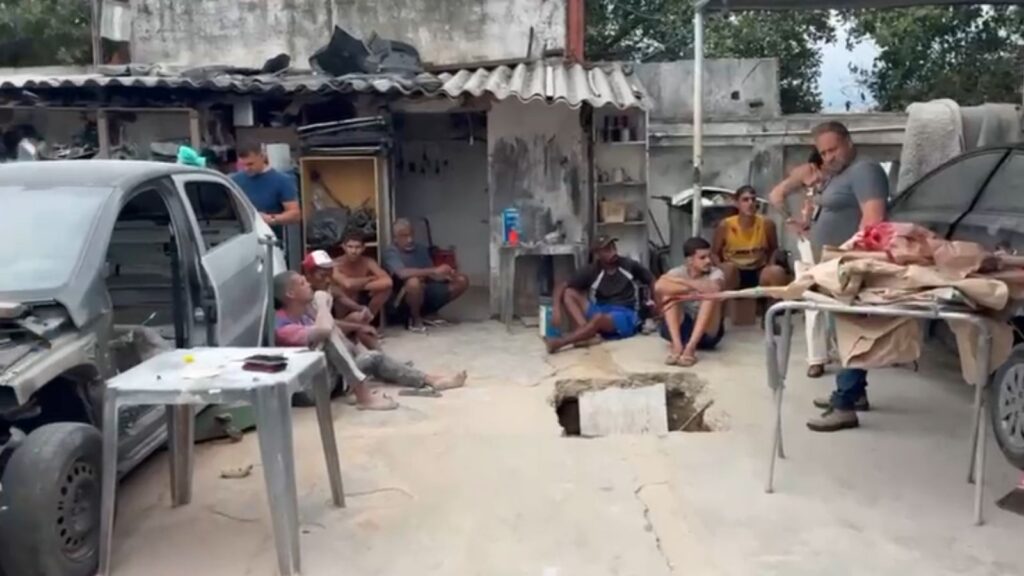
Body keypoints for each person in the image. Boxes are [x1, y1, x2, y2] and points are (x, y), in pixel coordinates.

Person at [769, 121, 888, 432]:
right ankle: (855, 393)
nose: (828, 157)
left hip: (850, 267)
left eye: (833, 149)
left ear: (849, 142)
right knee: (842, 333)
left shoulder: (865, 170)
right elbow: (786, 192)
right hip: (833, 266)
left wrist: (851, 262)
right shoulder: (837, 174)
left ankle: (845, 405)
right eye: (823, 153)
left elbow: (873, 221)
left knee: (852, 334)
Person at [274, 272, 466, 410]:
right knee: (329, 334)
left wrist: (356, 342)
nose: (308, 284)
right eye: (302, 283)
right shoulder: (282, 326)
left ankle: (431, 380)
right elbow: (324, 331)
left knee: (373, 357)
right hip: (308, 390)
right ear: (290, 294)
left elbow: (339, 338)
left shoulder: (304, 314)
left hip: (329, 376)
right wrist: (322, 304)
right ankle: (363, 397)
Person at [545, 235, 655, 354]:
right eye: (607, 250)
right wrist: (556, 308)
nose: (613, 252)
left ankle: (561, 342)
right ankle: (587, 333)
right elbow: (562, 285)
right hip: (601, 309)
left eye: (614, 247)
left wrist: (656, 303)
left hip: (625, 314)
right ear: (597, 254)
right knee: (569, 293)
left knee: (598, 318)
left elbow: (652, 280)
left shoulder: (628, 265)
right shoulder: (592, 270)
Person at [383, 218, 469, 332]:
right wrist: (433, 271)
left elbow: (431, 272)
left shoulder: (421, 249)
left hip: (426, 287)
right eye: (404, 236)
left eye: (411, 234)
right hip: (402, 297)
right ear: (395, 238)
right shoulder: (391, 252)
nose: (410, 239)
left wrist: (445, 275)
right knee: (413, 283)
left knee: (462, 280)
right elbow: (401, 273)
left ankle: (429, 314)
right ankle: (415, 319)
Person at [655, 237, 726, 367]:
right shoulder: (678, 272)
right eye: (702, 258)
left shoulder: (716, 273)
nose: (708, 261)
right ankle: (677, 346)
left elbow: (714, 288)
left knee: (710, 296)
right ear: (690, 260)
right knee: (668, 295)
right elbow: (659, 287)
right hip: (682, 328)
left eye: (709, 256)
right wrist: (692, 286)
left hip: (707, 334)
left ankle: (691, 347)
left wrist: (681, 283)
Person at [711, 185, 788, 291]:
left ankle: (774, 301)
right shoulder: (725, 225)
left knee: (776, 272)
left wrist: (770, 264)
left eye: (753, 199)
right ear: (737, 203)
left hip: (758, 270)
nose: (750, 203)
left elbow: (773, 248)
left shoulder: (767, 224)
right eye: (745, 200)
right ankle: (728, 299)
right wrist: (721, 266)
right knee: (728, 270)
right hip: (735, 271)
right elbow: (714, 253)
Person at [302, 249, 380, 350]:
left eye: (330, 275)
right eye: (322, 275)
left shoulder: (328, 288)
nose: (328, 280)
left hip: (330, 327)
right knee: (359, 326)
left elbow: (342, 297)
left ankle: (377, 353)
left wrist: (363, 309)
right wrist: (359, 326)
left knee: (358, 317)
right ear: (308, 275)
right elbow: (326, 325)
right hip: (317, 334)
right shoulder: (305, 295)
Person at [230, 142, 301, 235]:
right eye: (243, 165)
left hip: (269, 238)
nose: (246, 169)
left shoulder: (282, 180)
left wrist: (271, 219)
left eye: (250, 164)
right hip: (241, 236)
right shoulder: (234, 180)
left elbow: (295, 214)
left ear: (262, 157)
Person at [329, 231, 394, 318]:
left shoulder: (368, 262)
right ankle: (343, 321)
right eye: (350, 247)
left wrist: (359, 286)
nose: (353, 251)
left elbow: (388, 281)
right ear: (343, 247)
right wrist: (369, 279)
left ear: (363, 248)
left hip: (361, 298)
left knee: (386, 289)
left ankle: (367, 317)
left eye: (357, 247)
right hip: (342, 302)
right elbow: (347, 284)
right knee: (342, 290)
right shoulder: (335, 263)